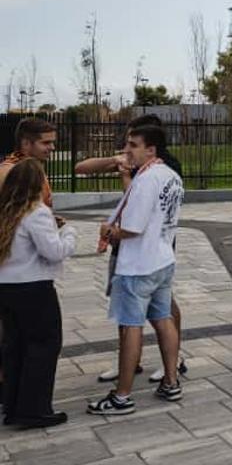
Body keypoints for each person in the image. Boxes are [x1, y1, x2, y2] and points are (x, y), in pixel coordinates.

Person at [79, 114, 187, 385]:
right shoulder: (164, 172)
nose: (127, 150)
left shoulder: (150, 175)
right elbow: (82, 167)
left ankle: (124, 392)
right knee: (158, 316)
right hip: (159, 254)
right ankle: (169, 379)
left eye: (132, 143)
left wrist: (111, 231)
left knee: (133, 321)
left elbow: (133, 222)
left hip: (141, 257)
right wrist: (116, 162)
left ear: (151, 146)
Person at [0, 159, 75, 428]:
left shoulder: (6, 211)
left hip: (6, 289)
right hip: (34, 289)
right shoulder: (37, 212)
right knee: (43, 346)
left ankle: (12, 405)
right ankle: (34, 410)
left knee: (15, 348)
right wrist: (68, 232)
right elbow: (53, 251)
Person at [0, 118, 56, 203]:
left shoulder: (31, 168)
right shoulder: (10, 171)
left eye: (52, 142)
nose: (52, 147)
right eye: (46, 143)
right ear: (26, 143)